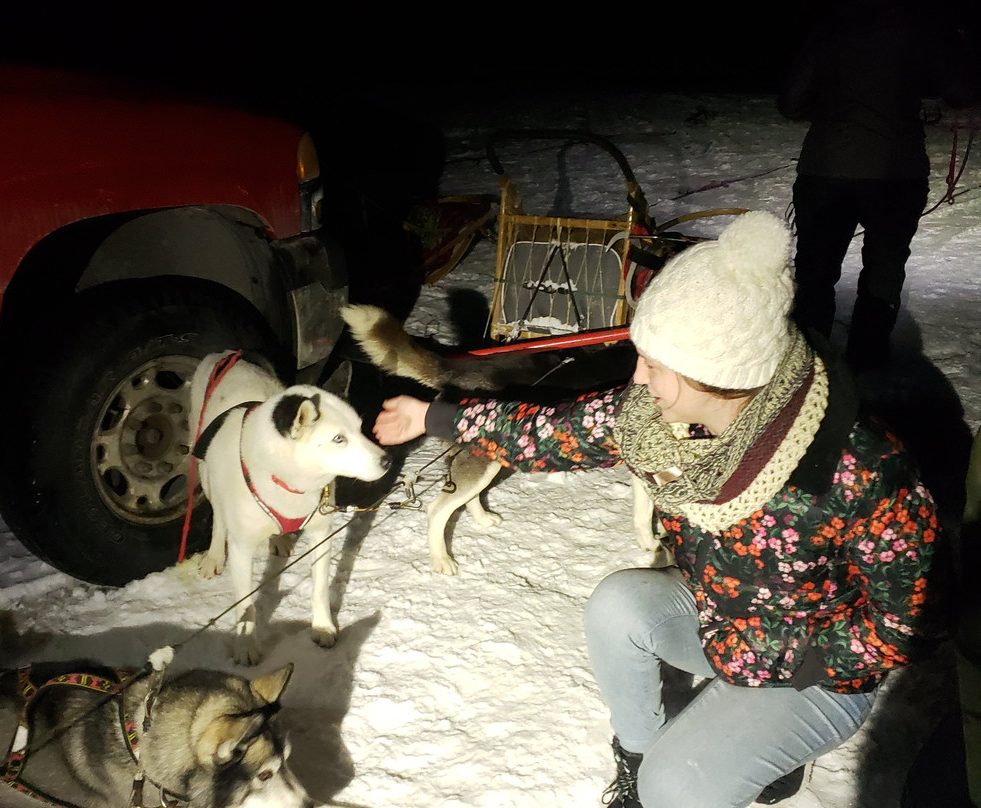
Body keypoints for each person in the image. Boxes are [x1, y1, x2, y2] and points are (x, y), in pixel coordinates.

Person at [371, 211, 949, 808]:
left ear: (721, 376)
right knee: (619, 606)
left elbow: (910, 621)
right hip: (723, 621)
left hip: (817, 670)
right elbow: (558, 431)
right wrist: (436, 416)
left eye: (654, 365)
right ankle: (643, 754)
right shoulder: (660, 419)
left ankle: (737, 759)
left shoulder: (861, 469)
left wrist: (776, 655)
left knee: (675, 790)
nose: (637, 378)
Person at [778, 0, 976, 370]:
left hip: (828, 168)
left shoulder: (827, 29)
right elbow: (961, 90)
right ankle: (866, 366)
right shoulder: (921, 27)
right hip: (895, 174)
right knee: (883, 270)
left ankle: (808, 365)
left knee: (815, 271)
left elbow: (791, 102)